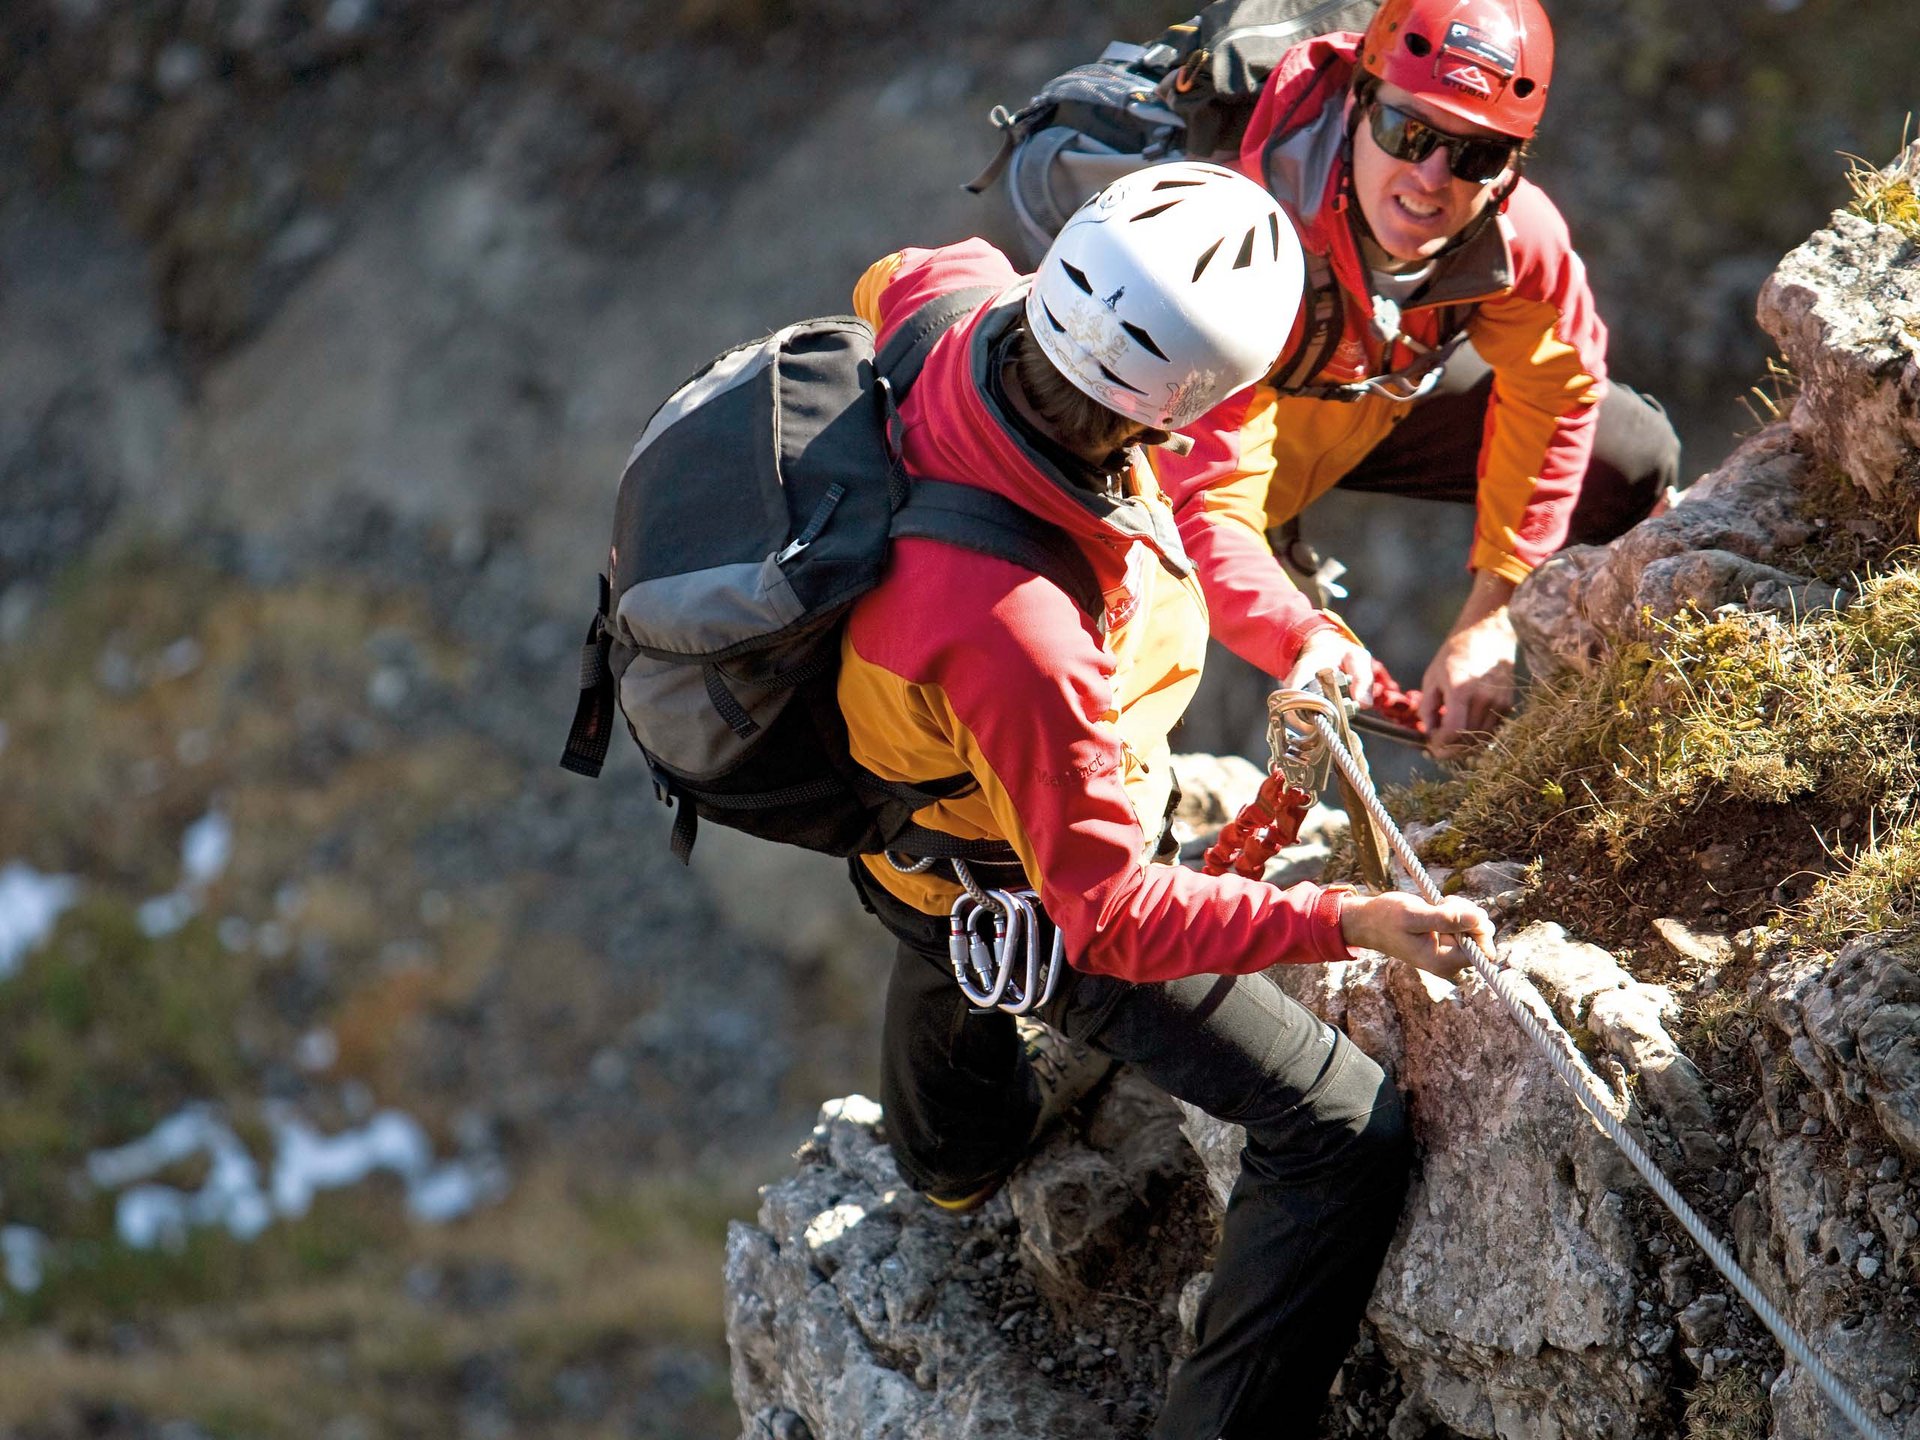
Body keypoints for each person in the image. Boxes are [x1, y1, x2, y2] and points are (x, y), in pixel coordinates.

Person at [839, 160, 1495, 1439]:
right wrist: (1348, 921)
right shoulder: (1023, 634)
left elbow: (884, 283)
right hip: (1023, 876)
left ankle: (956, 1160)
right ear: (1185, 403)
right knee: (1341, 1128)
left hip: (915, 824)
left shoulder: (957, 298)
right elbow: (1109, 918)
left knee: (950, 997)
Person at [1154, 0, 1682, 757]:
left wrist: (1492, 610)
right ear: (1357, 103)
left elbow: (1558, 394)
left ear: (1510, 166)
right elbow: (1202, 504)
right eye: (1410, 132)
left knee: (1626, 458)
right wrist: (1303, 635)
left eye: (1475, 155)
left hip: (1362, 390)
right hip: (1199, 425)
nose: (1431, 178)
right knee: (1122, 597)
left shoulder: (1512, 238)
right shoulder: (1241, 229)